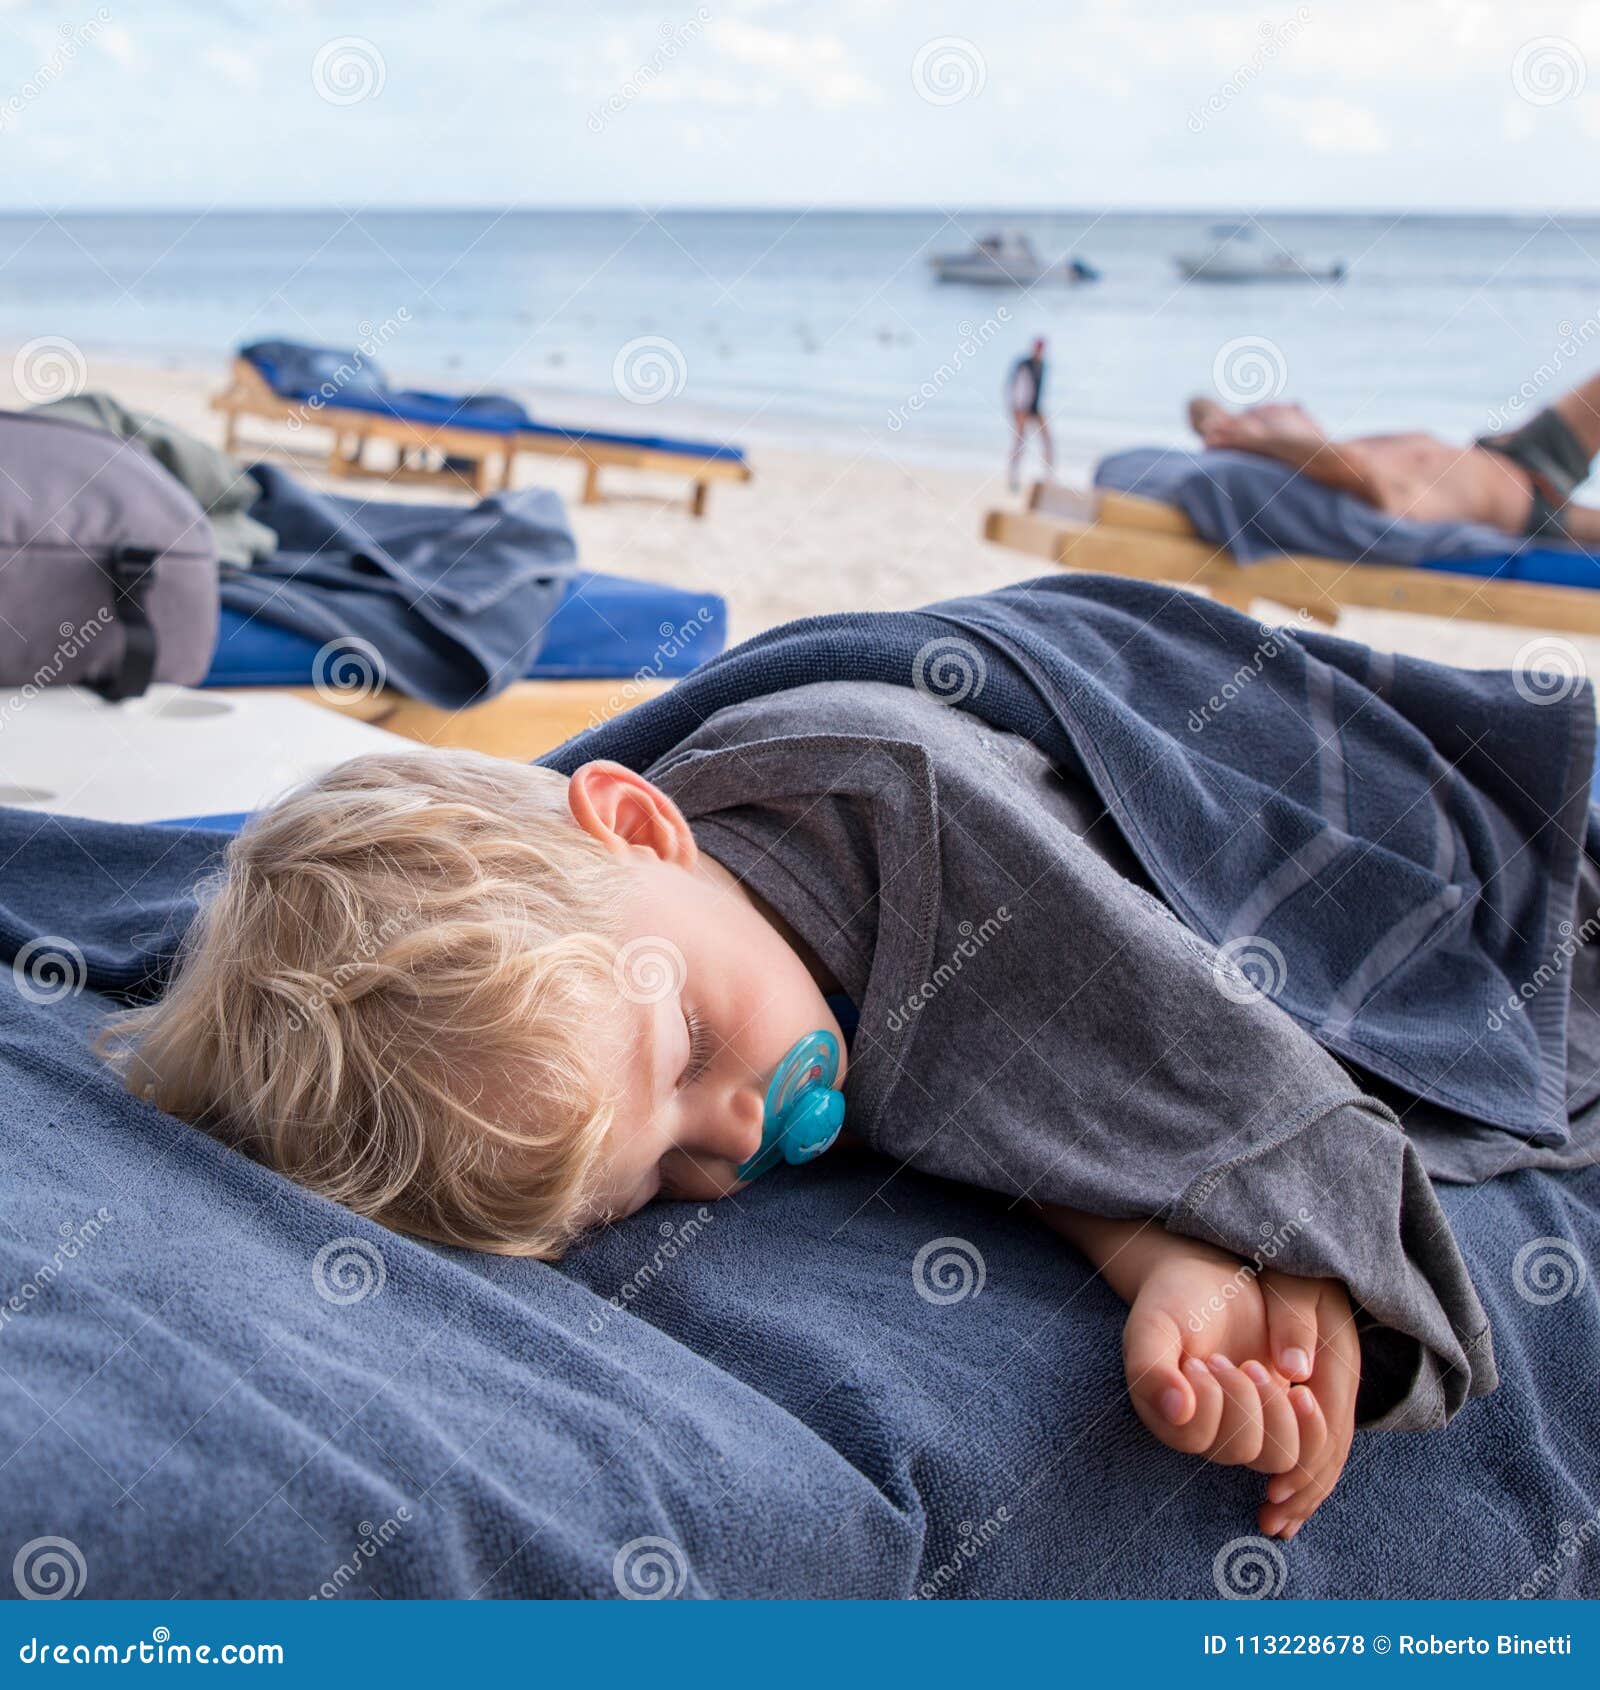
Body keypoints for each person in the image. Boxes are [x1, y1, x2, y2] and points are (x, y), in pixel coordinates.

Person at [1188, 371, 1600, 543]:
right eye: (1274, 412)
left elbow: (1198, 405)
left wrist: (1226, 429)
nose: (1290, 403)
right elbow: (1339, 464)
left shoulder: (1354, 451)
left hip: (1510, 454)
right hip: (1537, 514)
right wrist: (1256, 440)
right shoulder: (1362, 484)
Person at [1007, 337, 1054, 492]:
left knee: (1047, 439)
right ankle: (1013, 477)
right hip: (1022, 408)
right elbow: (1015, 387)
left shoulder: (1042, 365)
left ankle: (1048, 477)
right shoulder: (1024, 364)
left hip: (1035, 407)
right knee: (1020, 442)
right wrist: (1017, 409)